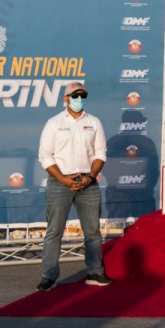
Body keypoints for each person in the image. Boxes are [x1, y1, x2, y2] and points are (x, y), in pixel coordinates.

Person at [36, 81, 112, 291]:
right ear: (66, 99)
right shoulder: (54, 123)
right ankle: (48, 277)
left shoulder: (94, 122)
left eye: (82, 96)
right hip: (60, 182)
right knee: (54, 231)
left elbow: (100, 153)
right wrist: (63, 179)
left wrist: (90, 177)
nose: (79, 99)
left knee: (93, 231)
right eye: (75, 96)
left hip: (89, 182)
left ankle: (95, 272)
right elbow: (45, 155)